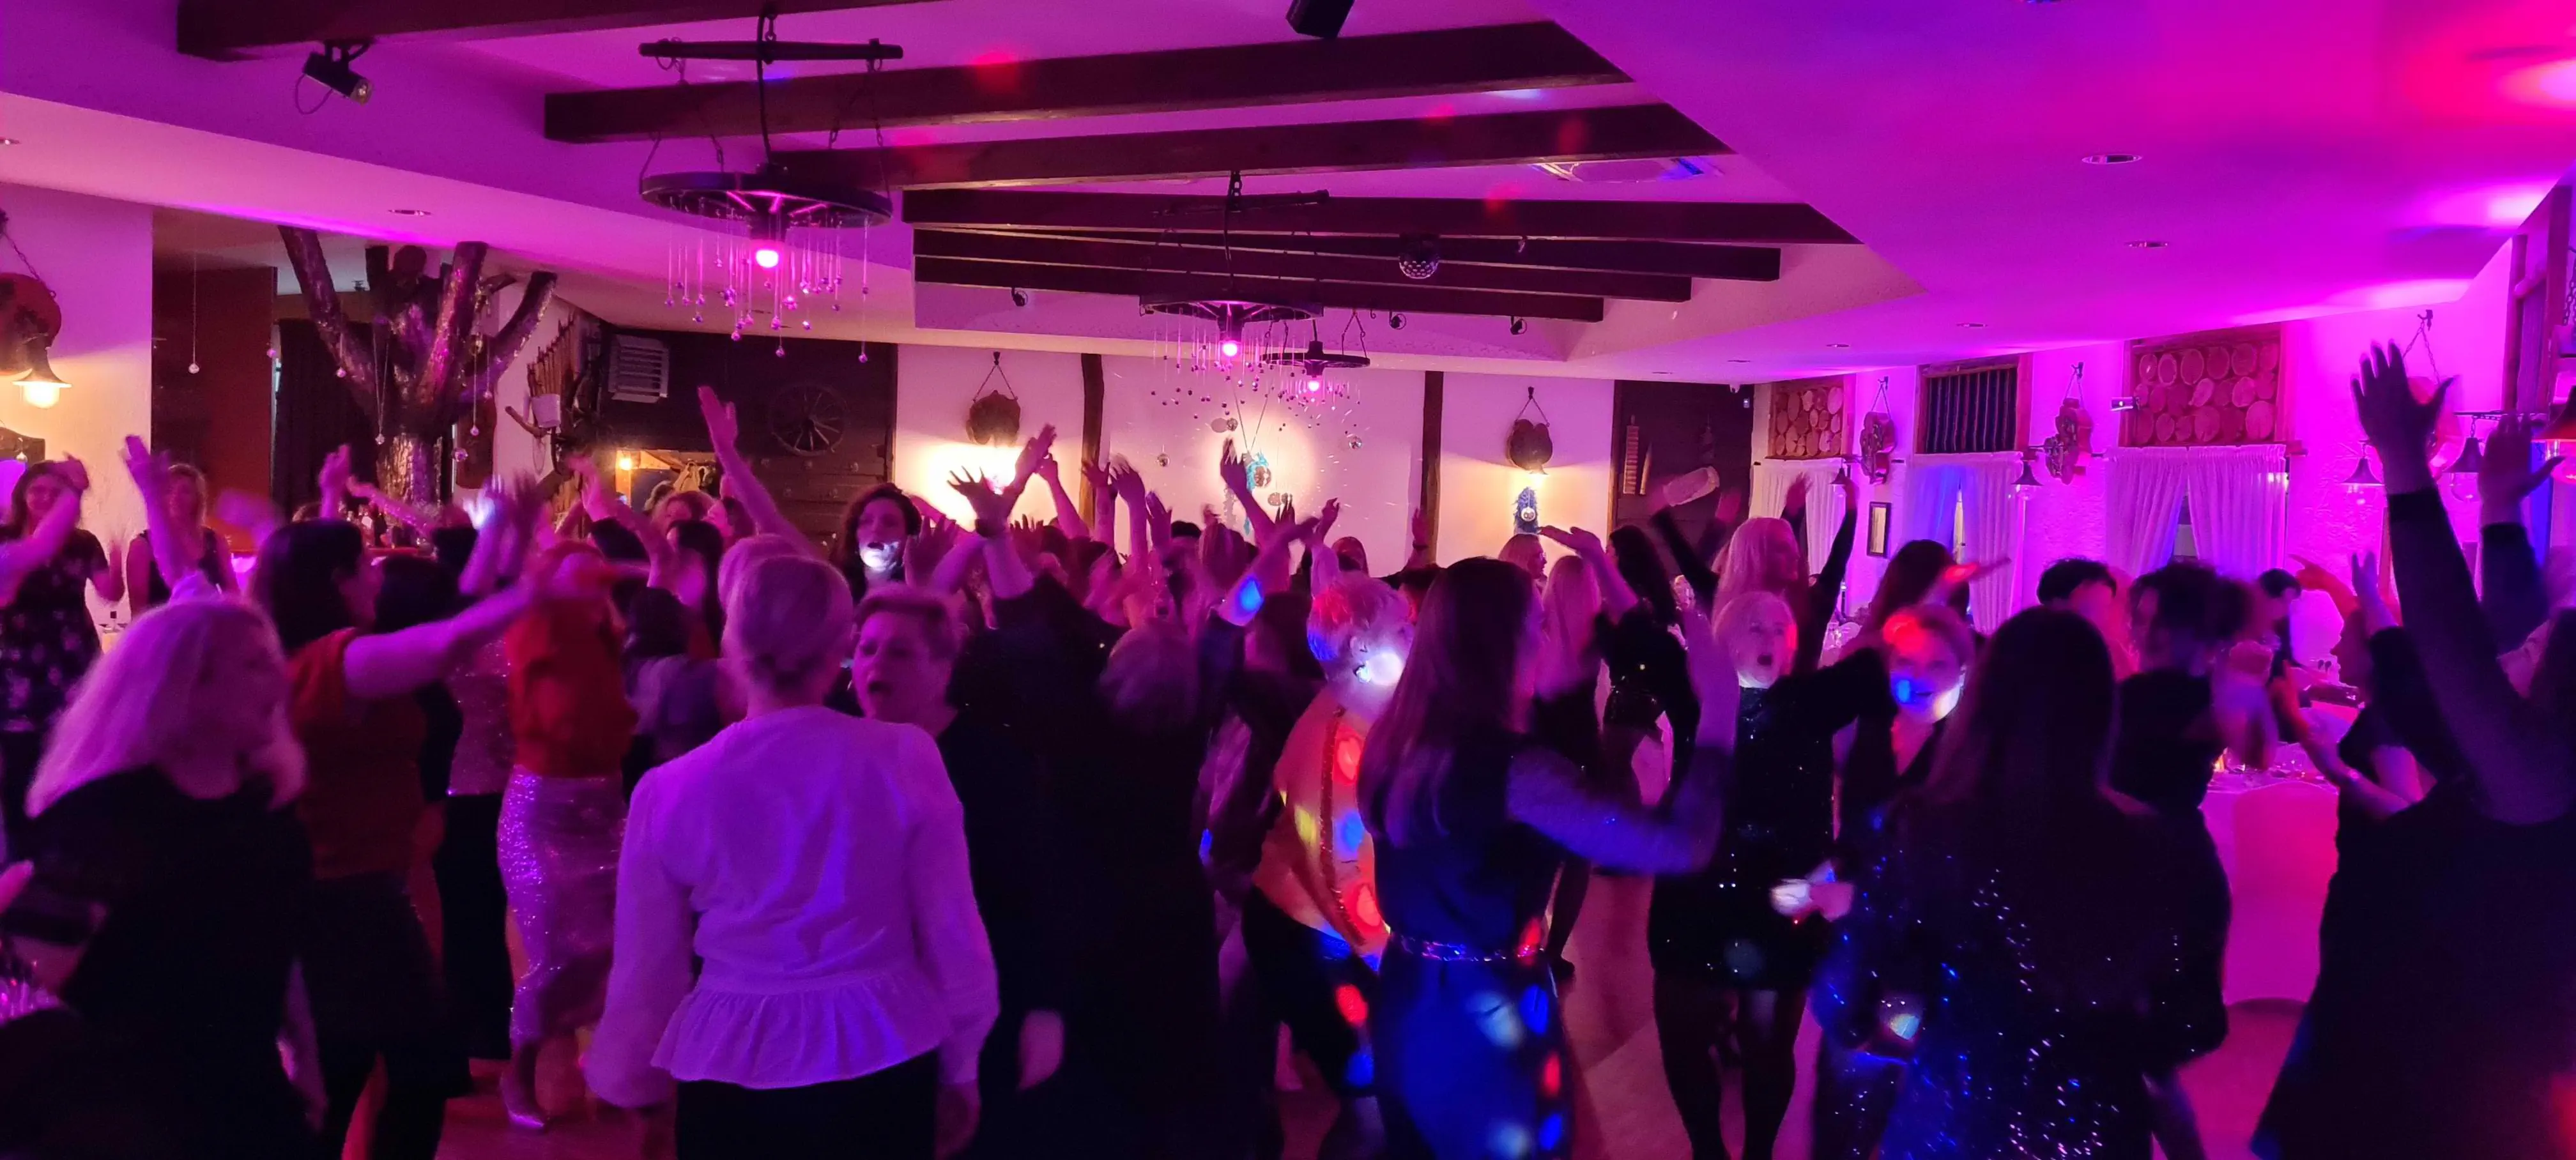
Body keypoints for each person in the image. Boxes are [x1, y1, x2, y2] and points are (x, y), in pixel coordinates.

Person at [2255, 349, 2576, 1159]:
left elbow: (2461, 656)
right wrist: (2499, 514)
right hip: (2413, 1045)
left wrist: (2405, 468)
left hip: (2445, 1079)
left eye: (2540, 644)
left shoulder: (2542, 782)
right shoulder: (2524, 776)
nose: (2521, 645)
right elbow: (2474, 655)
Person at [591, 554, 996, 1160]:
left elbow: (648, 964)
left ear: (733, 642)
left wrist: (635, 1083)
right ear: (839, 648)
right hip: (882, 1043)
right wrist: (963, 1063)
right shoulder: (903, 757)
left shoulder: (670, 788)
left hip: (731, 1055)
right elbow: (952, 930)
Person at [1360, 558, 1740, 1160]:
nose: (1546, 637)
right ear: (1498, 645)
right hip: (1489, 1018)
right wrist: (1718, 717)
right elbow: (1681, 845)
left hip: (1405, 998)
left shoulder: (1395, 738)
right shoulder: (1516, 771)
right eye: (1537, 623)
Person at [1816, 609, 2225, 1160]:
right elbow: (2192, 1023)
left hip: (1953, 1122)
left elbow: (1846, 999)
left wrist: (1911, 1018)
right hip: (2094, 1126)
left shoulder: (1923, 830)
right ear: (2103, 713)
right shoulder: (2164, 847)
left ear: (1982, 702)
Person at [257, 456, 555, 1160]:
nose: (377, 576)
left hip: (366, 890)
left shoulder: (328, 654)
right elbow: (450, 637)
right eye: (364, 567)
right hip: (340, 900)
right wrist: (538, 585)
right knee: (387, 1067)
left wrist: (510, 533)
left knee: (378, 1067)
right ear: (334, 583)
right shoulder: (337, 662)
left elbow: (455, 610)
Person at [15, 599, 319, 1159]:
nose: (280, 680)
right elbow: (29, 979)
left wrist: (307, 1057)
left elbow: (277, 950)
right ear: (185, 686)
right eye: (253, 665)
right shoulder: (108, 819)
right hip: (128, 1117)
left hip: (247, 1102)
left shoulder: (266, 813)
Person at [852, 585, 1075, 1159]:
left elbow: (1037, 887)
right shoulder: (845, 753)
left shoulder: (990, 762)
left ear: (943, 668)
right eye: (867, 648)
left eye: (899, 652)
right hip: (874, 1005)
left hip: (977, 1000)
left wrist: (1044, 1005)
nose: (875, 665)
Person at [1237, 572, 1415, 1160]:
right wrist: (1389, 959)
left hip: (1331, 932)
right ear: (1361, 646)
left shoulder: (1368, 716)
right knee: (1372, 1103)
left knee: (1381, 1096)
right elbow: (1333, 868)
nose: (1413, 638)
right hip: (1307, 936)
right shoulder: (1338, 736)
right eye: (1401, 629)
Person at [496, 539, 639, 1129]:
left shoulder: (607, 644)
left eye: (597, 582)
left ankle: (606, 1071)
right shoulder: (535, 635)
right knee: (556, 953)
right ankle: (519, 1071)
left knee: (616, 945)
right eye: (579, 581)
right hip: (544, 813)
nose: (592, 591)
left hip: (605, 810)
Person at [0, 458, 122, 848]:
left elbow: (109, 593)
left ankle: (70, 841)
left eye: (54, 493)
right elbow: (28, 564)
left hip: (71, 650)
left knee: (74, 744)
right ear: (23, 495)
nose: (45, 498)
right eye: (38, 490)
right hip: (19, 656)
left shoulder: (82, 542)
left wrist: (117, 565)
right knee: (21, 750)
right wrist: (75, 491)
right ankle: (24, 846)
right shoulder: (6, 540)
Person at [123, 462, 234, 615]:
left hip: (206, 625)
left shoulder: (215, 542)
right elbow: (138, 611)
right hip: (163, 627)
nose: (176, 497)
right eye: (169, 490)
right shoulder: (142, 546)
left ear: (198, 499)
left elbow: (233, 597)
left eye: (185, 491)